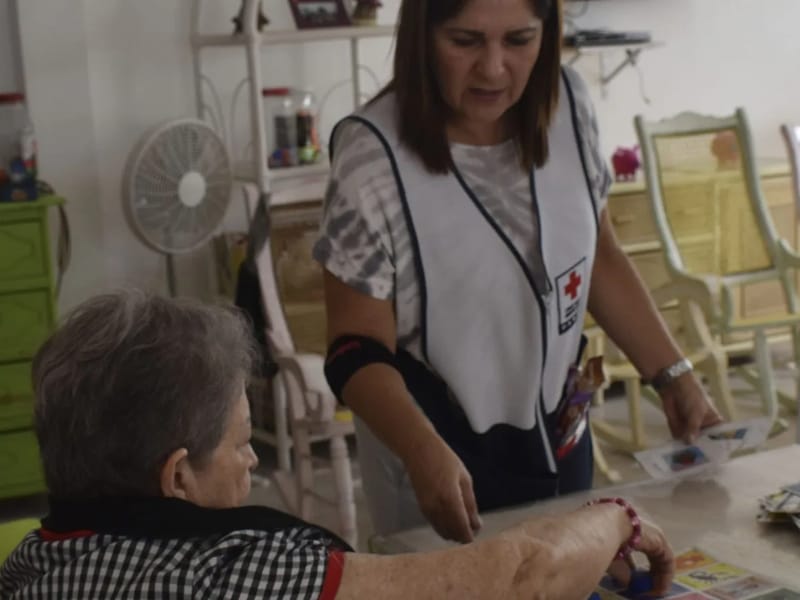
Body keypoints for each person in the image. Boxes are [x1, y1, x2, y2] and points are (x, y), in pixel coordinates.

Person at [313, 0, 723, 543]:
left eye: (519, 40)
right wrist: (419, 448)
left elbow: (597, 256)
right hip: (436, 458)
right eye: (464, 41)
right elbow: (354, 350)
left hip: (560, 435)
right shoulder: (372, 157)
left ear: (548, 34)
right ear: (422, 37)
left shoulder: (570, 109)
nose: (494, 68)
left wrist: (674, 374)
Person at [0, 290, 676, 598]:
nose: (254, 461)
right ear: (176, 479)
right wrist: (618, 516)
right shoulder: (231, 576)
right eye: (240, 445)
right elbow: (523, 576)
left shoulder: (30, 566)